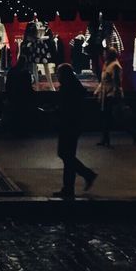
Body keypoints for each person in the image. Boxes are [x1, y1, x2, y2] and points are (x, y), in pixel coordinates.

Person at [52, 63, 97, 199]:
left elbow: (66, 108)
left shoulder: (67, 88)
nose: (58, 77)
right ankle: (69, 187)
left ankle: (86, 175)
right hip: (73, 125)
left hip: (68, 125)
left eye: (58, 74)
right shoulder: (74, 86)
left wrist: (55, 111)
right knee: (67, 155)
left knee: (66, 155)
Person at [96, 48, 136, 147]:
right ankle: (105, 139)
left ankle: (131, 132)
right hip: (106, 95)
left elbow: (116, 82)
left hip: (112, 95)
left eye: (106, 53)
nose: (104, 55)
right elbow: (103, 81)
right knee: (107, 117)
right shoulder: (107, 64)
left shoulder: (115, 66)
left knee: (115, 117)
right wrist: (98, 91)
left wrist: (115, 94)